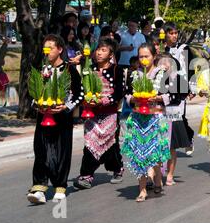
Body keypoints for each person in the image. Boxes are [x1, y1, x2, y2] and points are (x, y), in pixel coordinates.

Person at [27, 34, 83, 204]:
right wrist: (36, 104)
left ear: (60, 49)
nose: (47, 51)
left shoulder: (69, 69)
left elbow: (79, 94)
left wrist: (66, 107)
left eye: (50, 48)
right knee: (41, 150)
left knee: (61, 151)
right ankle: (39, 188)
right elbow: (33, 91)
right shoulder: (41, 69)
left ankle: (60, 186)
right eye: (45, 48)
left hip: (62, 118)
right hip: (43, 117)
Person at [122, 44, 181, 202]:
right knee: (139, 154)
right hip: (137, 119)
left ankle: (157, 179)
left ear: (154, 56)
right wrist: (133, 99)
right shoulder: (134, 74)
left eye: (146, 56)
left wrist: (159, 98)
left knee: (154, 154)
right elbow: (127, 94)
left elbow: (174, 95)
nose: (143, 59)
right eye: (141, 56)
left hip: (155, 118)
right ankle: (142, 189)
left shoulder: (162, 74)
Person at [73, 39, 125, 190]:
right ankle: (86, 176)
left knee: (110, 144)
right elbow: (81, 88)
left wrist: (105, 100)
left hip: (109, 113)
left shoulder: (117, 70)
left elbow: (120, 92)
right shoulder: (89, 68)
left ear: (111, 54)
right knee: (90, 143)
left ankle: (117, 168)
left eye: (104, 50)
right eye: (98, 50)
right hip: (92, 113)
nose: (99, 53)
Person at [163, 22, 195, 183]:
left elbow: (190, 68)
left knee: (179, 118)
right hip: (162, 89)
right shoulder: (160, 49)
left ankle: (186, 138)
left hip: (180, 89)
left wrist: (191, 87)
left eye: (176, 33)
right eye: (171, 33)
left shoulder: (184, 48)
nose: (174, 36)